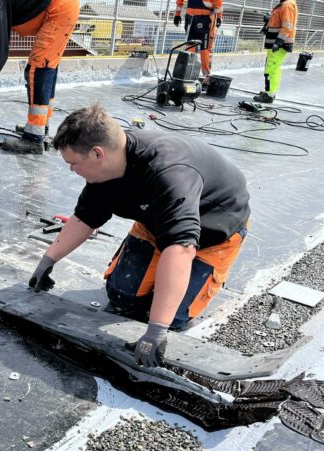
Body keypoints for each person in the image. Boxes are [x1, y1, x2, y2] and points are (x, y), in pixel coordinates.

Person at [28, 104, 250, 368]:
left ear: (97, 154)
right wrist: (48, 261)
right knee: (122, 297)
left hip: (212, 235)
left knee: (173, 318)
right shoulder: (106, 170)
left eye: (73, 163)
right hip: (154, 225)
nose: (71, 170)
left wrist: (156, 330)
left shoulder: (169, 174)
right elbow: (85, 217)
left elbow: (181, 248)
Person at [0, 0, 79, 155]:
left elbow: (1, 55)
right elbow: (2, 45)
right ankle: (40, 128)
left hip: (59, 9)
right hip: (63, 8)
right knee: (46, 67)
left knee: (39, 68)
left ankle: (33, 139)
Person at [253, 0, 298, 104]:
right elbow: (280, 21)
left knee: (272, 69)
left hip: (278, 44)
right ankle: (270, 92)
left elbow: (288, 26)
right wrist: (270, 20)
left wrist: (279, 42)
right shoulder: (284, 4)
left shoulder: (287, 4)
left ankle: (269, 95)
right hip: (276, 43)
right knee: (273, 68)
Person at [172, 0, 223, 83]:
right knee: (205, 48)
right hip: (206, 18)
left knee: (190, 46)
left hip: (190, 17)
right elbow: (217, 2)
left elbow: (180, 1)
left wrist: (177, 14)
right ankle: (206, 76)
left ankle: (187, 75)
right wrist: (219, 17)